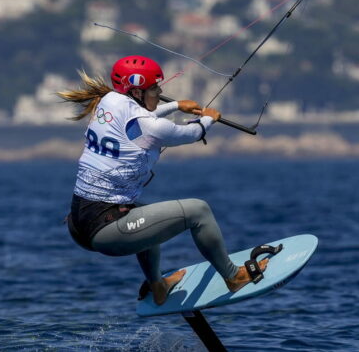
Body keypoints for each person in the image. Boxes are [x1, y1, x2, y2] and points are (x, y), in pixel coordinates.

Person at [58, 55, 267, 305]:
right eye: (155, 87)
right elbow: (191, 132)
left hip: (79, 223)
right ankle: (234, 276)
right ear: (136, 91)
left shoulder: (109, 101)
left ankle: (158, 286)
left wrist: (176, 105)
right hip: (105, 231)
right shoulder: (151, 127)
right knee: (198, 211)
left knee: (146, 216)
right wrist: (208, 118)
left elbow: (139, 117)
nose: (160, 91)